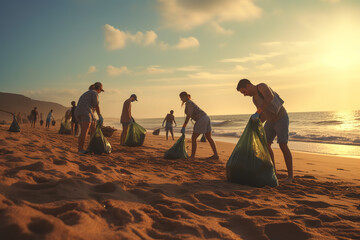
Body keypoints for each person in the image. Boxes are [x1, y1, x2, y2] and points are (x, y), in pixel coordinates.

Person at [236, 78, 293, 183]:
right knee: (266, 144)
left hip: (281, 118)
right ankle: (274, 172)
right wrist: (256, 124)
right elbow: (264, 114)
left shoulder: (261, 86)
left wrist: (259, 111)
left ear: (248, 85)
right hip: (270, 121)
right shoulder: (254, 99)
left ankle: (290, 177)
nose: (244, 95)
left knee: (282, 145)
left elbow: (269, 97)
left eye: (244, 91)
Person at [179, 91, 219, 160]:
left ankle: (192, 156)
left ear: (185, 97)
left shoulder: (189, 103)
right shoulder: (190, 102)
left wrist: (184, 126)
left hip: (201, 119)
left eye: (181, 98)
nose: (181, 100)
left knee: (194, 138)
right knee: (209, 137)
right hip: (206, 117)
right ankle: (216, 155)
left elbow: (188, 115)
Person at [75, 82, 104, 153]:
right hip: (85, 112)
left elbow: (89, 106)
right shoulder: (95, 93)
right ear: (99, 89)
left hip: (78, 112)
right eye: (101, 90)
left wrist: (94, 118)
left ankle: (90, 147)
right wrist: (100, 115)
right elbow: (96, 105)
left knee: (93, 129)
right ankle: (80, 149)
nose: (100, 92)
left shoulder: (86, 93)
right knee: (84, 132)